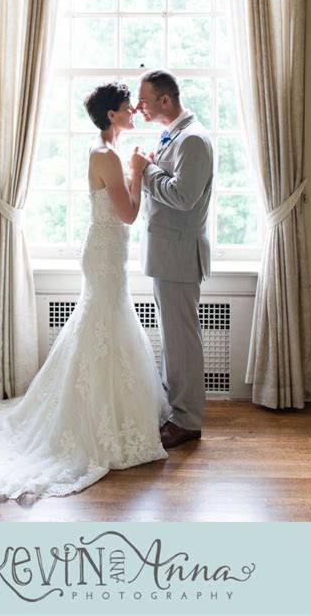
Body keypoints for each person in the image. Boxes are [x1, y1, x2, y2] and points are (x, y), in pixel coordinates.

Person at [0, 82, 169, 501]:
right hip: (105, 252)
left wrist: (134, 169)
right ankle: (91, 422)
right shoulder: (108, 156)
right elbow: (129, 215)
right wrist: (137, 172)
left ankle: (111, 414)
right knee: (104, 323)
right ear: (112, 116)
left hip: (108, 252)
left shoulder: (106, 152)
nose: (134, 109)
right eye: (127, 106)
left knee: (105, 323)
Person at [131, 70, 213, 449]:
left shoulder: (193, 139)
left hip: (179, 254)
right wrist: (153, 165)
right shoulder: (176, 135)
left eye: (144, 100)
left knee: (182, 341)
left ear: (166, 100)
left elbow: (183, 197)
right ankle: (176, 411)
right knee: (173, 339)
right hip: (168, 252)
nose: (138, 107)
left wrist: (145, 171)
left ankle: (187, 421)